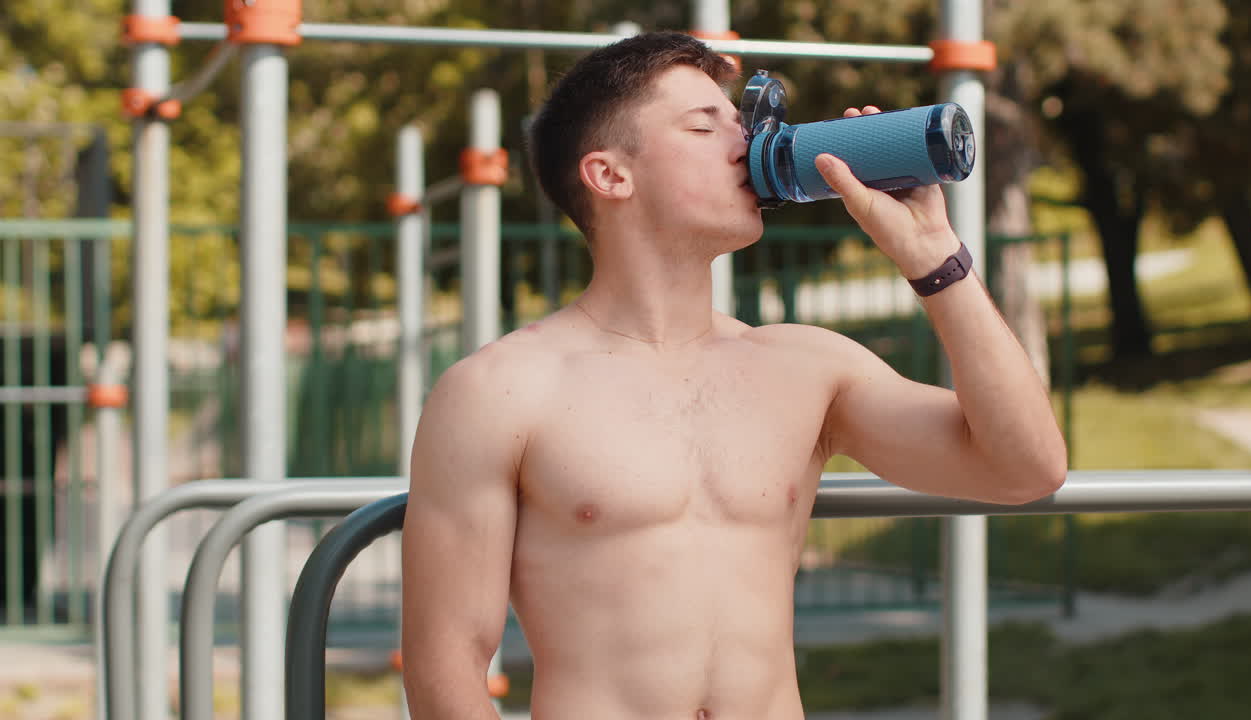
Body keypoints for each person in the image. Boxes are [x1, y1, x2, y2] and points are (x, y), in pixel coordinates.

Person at [400, 31, 1066, 720]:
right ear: (610, 175)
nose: (744, 143)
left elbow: (1026, 468)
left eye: (741, 123)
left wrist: (936, 257)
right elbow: (444, 662)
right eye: (703, 125)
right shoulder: (499, 392)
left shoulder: (807, 367)